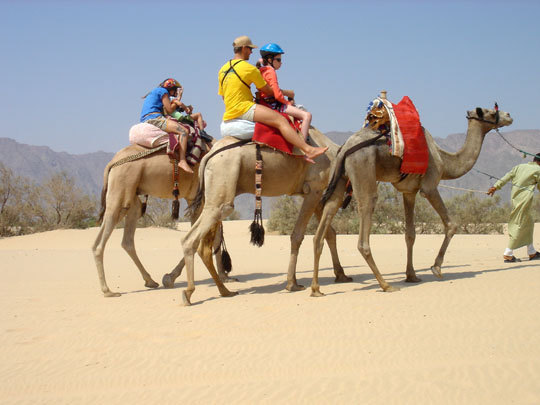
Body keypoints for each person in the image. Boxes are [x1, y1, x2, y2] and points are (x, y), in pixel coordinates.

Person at [218, 35, 327, 163]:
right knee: (281, 120)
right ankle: (308, 149)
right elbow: (269, 91)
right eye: (250, 49)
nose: (251, 52)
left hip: (229, 112)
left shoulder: (222, 69)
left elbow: (224, 97)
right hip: (245, 108)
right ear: (243, 48)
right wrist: (288, 94)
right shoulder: (248, 68)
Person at [487, 153, 540, 262]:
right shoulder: (538, 170)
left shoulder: (519, 167)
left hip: (515, 199)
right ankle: (508, 253)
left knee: (528, 223)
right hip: (524, 201)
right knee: (519, 224)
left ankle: (531, 252)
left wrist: (495, 187)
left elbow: (506, 177)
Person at [256, 43, 312, 141]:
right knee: (307, 115)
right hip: (274, 105)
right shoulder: (271, 71)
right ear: (270, 60)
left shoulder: (261, 70)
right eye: (278, 60)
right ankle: (304, 146)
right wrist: (288, 103)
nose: (281, 63)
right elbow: (277, 95)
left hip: (264, 103)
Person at [140, 78, 193, 173]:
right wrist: (178, 101)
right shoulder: (163, 92)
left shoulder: (155, 91)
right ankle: (182, 161)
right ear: (170, 88)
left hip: (146, 118)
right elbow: (170, 110)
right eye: (175, 90)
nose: (174, 93)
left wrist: (177, 100)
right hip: (155, 118)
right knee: (184, 131)